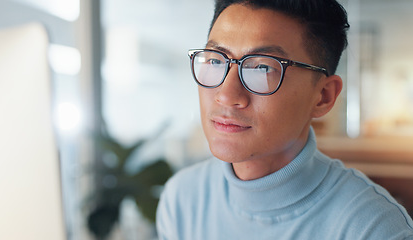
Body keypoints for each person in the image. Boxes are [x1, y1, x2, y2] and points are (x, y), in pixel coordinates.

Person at [156, 0, 413, 239]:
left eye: (262, 68)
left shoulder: (372, 228)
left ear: (323, 96)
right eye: (215, 60)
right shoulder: (182, 199)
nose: (226, 95)